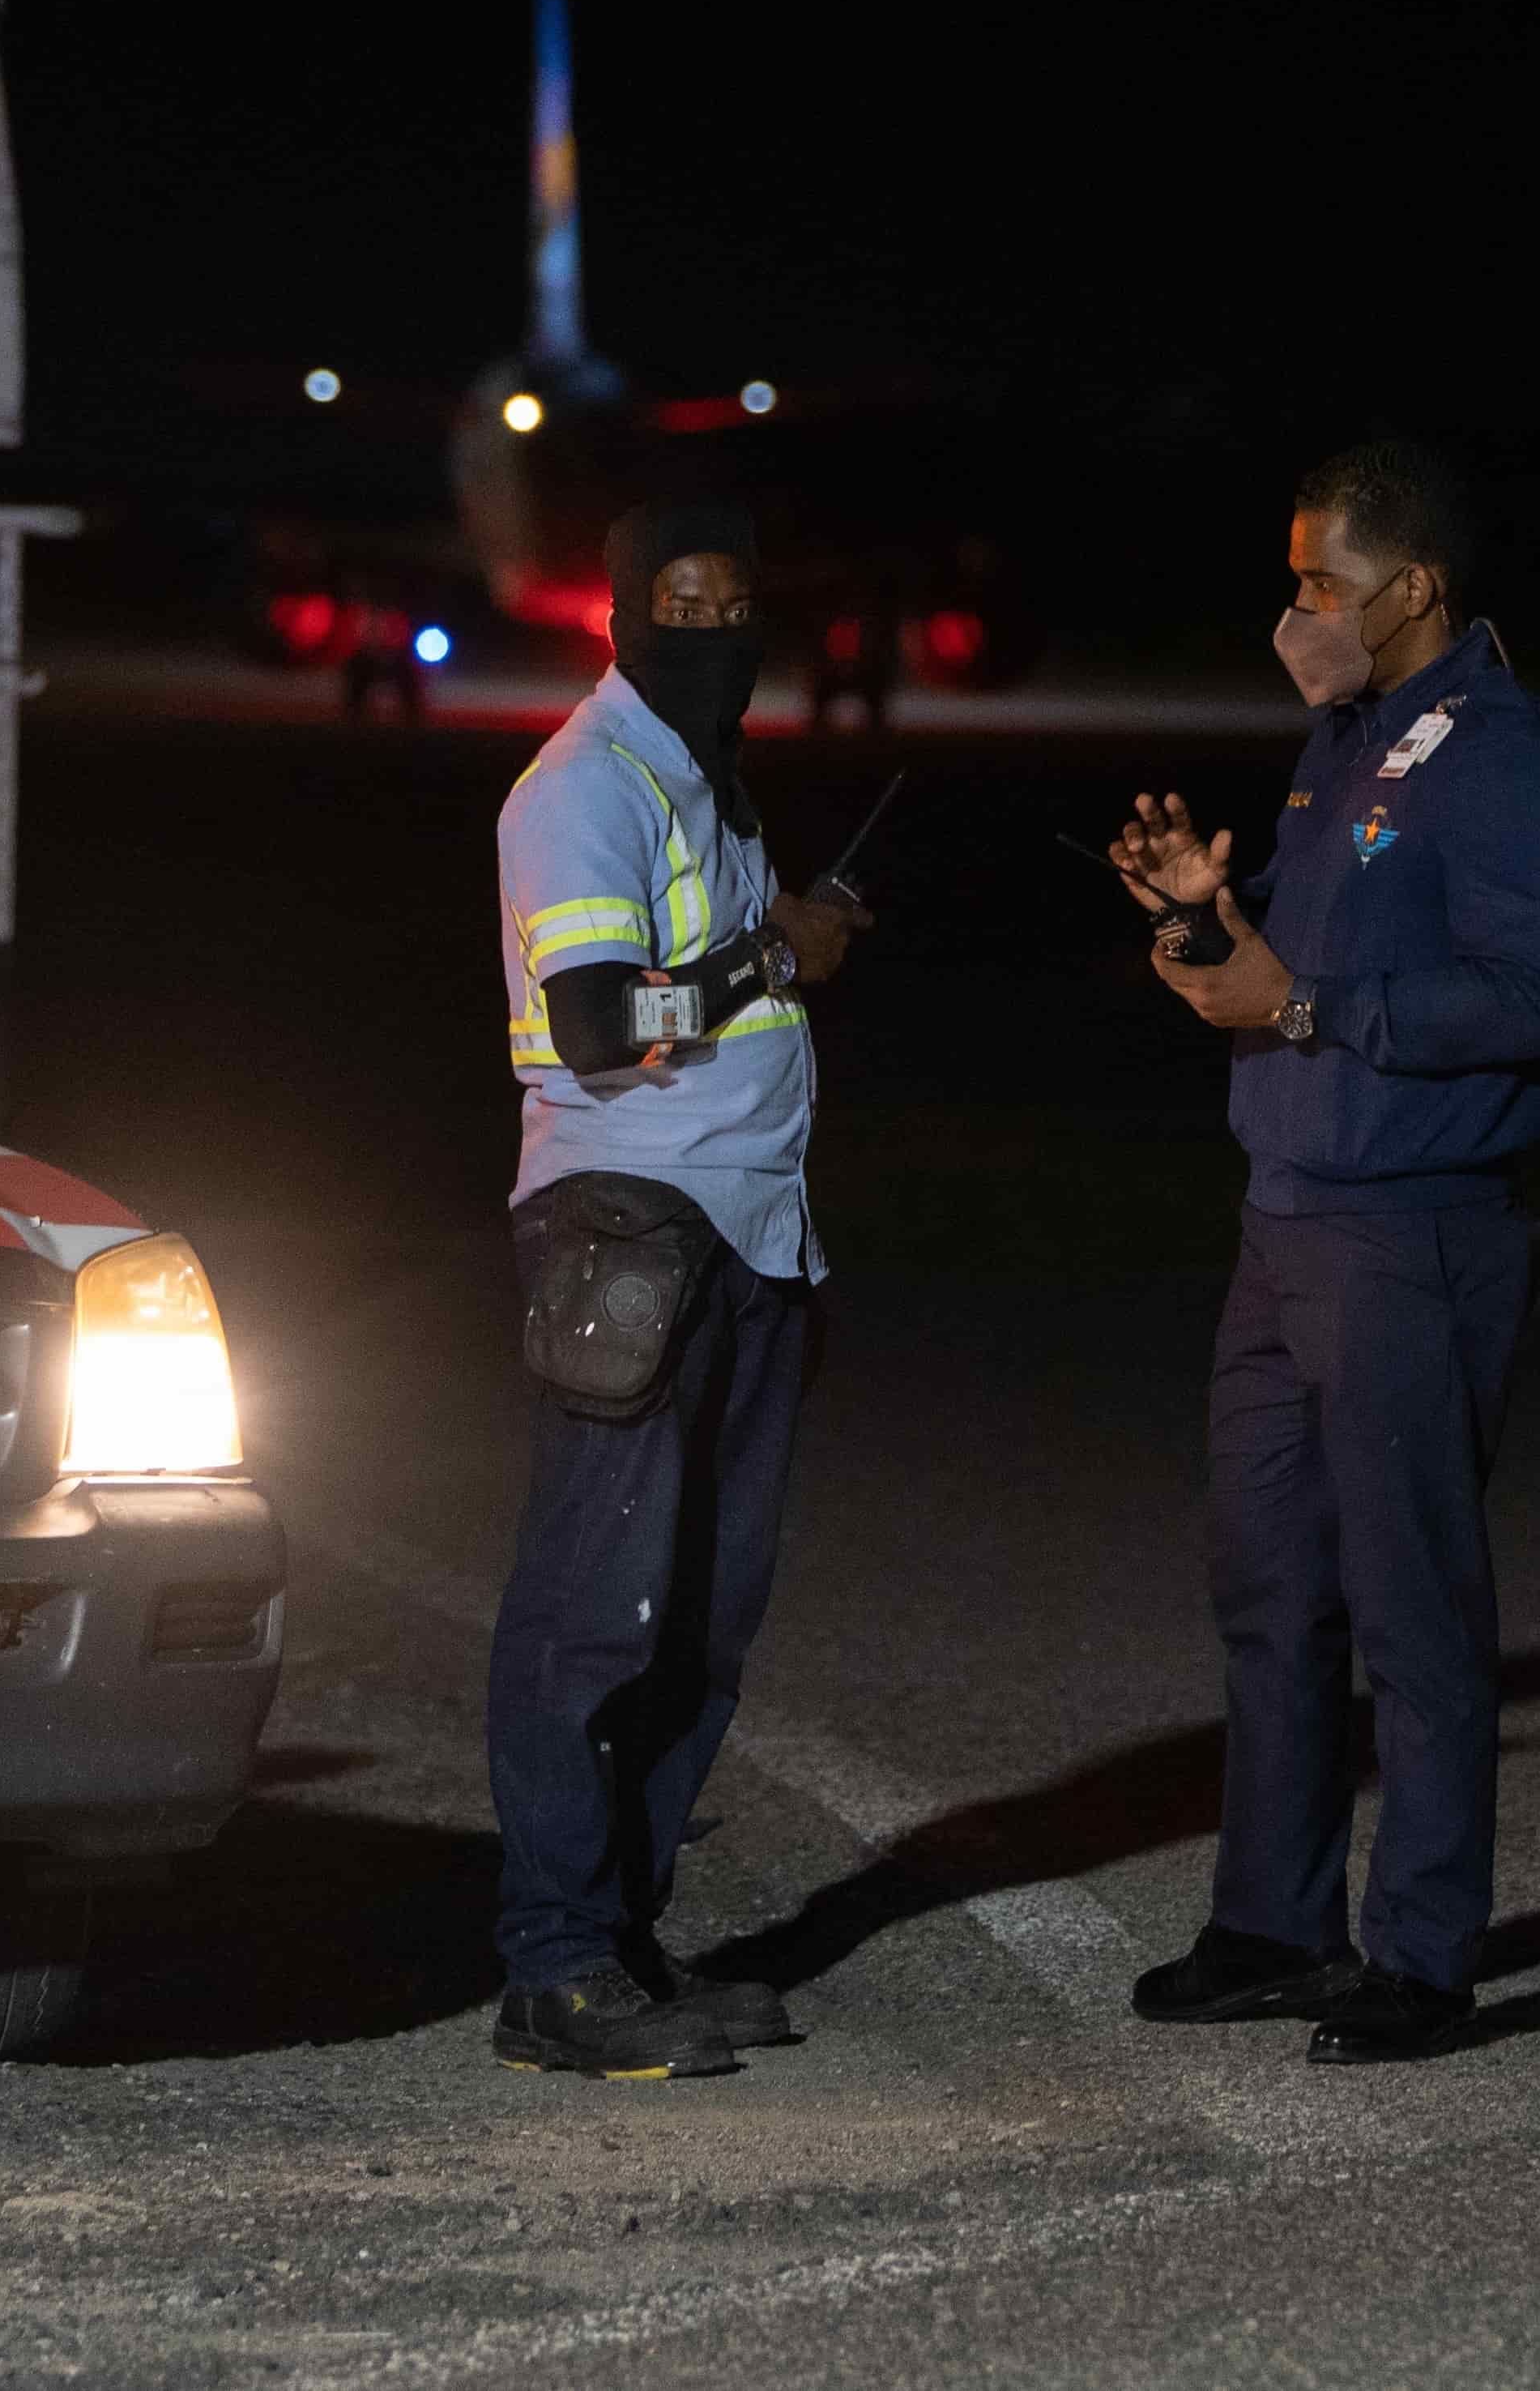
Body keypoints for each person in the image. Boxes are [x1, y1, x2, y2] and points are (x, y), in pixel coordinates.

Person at [1109, 439, 1540, 2065]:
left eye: (1324, 580)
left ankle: (1423, 1950)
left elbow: (1525, 1000)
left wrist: (1303, 1004)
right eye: (1296, 574)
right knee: (1269, 1593)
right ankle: (1271, 1923)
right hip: (1284, 1221)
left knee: (1412, 1608)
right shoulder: (1346, 741)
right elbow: (1280, 969)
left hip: (1407, 1234)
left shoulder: (1503, 757)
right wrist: (1200, 923)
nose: (1297, 608)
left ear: (1418, 591)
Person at [486, 496, 868, 2079]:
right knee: (596, 1611)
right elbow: (587, 1022)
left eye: (735, 603)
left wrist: (792, 938)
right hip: (631, 1228)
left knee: (705, 1614)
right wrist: (778, 957)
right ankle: (554, 1966)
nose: (714, 632)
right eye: (681, 604)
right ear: (623, 616)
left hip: (750, 1231)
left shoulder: (700, 782)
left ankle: (623, 1939)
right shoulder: (581, 787)